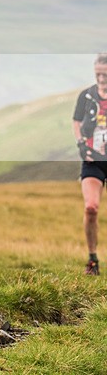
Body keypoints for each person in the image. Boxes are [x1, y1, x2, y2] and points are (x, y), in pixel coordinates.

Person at [73, 53, 107, 276]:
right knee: (91, 207)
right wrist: (80, 143)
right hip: (93, 160)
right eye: (97, 74)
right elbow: (76, 121)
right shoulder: (86, 96)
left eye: (105, 75)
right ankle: (92, 260)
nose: (101, 79)